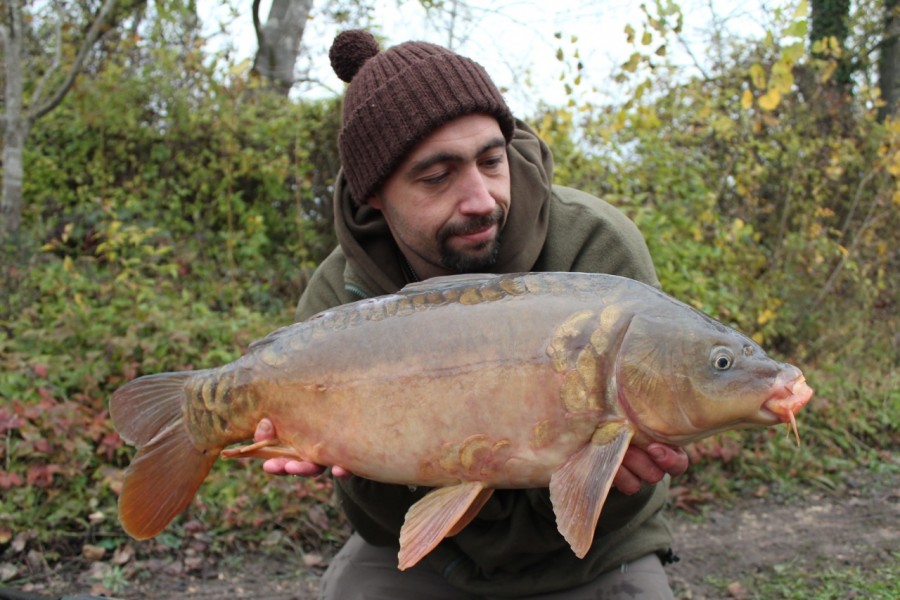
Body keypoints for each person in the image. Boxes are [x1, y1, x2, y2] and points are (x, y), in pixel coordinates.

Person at [254, 29, 689, 599]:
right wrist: (357, 460)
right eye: (437, 177)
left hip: (595, 554)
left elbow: (620, 493)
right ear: (375, 197)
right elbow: (379, 524)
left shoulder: (597, 249)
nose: (481, 197)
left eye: (491, 160)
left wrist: (605, 479)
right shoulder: (342, 291)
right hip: (431, 553)